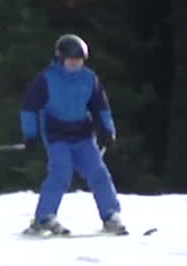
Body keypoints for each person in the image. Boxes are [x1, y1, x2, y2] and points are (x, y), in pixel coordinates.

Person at [19, 33, 127, 236]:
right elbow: (29, 108)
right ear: (60, 59)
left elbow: (100, 107)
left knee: (98, 173)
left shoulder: (89, 78)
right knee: (61, 174)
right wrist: (30, 134)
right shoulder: (46, 79)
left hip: (83, 134)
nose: (75, 65)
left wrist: (107, 130)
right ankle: (44, 218)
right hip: (57, 134)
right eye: (71, 61)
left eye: (79, 61)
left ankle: (111, 215)